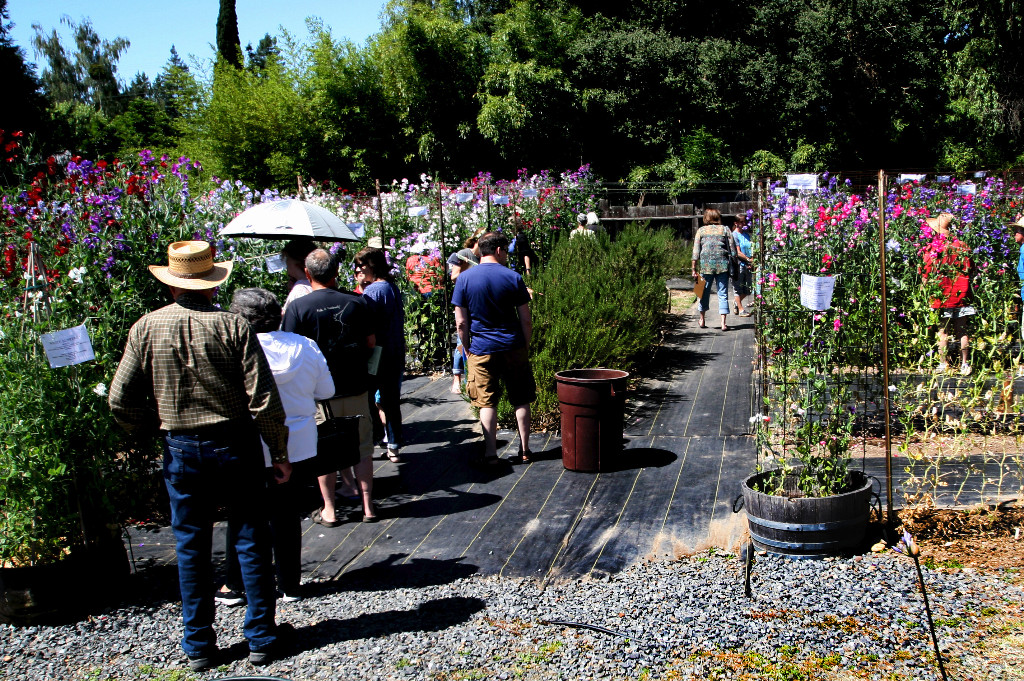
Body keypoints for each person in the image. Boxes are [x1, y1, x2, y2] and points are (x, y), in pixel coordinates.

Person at [108, 241, 290, 671]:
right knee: (249, 539)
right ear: (212, 284)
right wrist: (279, 451)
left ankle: (199, 646)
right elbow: (262, 398)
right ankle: (261, 636)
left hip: (181, 446)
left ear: (171, 283)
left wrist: (149, 427)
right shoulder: (233, 327)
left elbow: (119, 398)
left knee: (190, 546)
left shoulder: (146, 327)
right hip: (235, 444)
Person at [217, 288, 335, 606]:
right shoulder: (305, 346)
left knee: (243, 514)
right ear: (279, 315)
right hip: (300, 443)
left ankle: (235, 584)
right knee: (287, 514)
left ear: (238, 318)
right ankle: (290, 584)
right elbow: (327, 389)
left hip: (252, 443)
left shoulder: (235, 349)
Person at [282, 248, 378, 524]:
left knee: (323, 449)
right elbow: (371, 343)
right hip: (356, 386)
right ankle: (368, 507)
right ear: (337, 273)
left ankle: (330, 510)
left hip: (318, 393)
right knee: (362, 447)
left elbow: (291, 349)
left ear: (308, 274)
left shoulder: (298, 308)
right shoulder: (357, 302)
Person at [452, 232, 536, 464]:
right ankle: (525, 450)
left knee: (486, 401)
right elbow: (525, 319)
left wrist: (467, 348)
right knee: (520, 398)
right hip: (512, 345)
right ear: (498, 250)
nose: (507, 255)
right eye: (506, 250)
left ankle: (490, 453)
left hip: (481, 348)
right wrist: (524, 344)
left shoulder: (465, 279)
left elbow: (461, 322)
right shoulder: (512, 277)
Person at [355, 246, 406, 463]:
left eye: (361, 266)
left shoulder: (373, 292)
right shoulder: (391, 287)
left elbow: (366, 325)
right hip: (395, 350)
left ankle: (376, 436)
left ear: (372, 266)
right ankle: (393, 445)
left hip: (378, 353)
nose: (358, 270)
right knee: (391, 400)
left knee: (368, 398)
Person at [922, 212, 973, 375]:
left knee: (943, 331)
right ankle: (965, 364)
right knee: (962, 330)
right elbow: (971, 269)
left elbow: (925, 272)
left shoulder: (933, 247)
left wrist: (925, 291)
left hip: (941, 295)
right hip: (962, 294)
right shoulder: (963, 246)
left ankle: (944, 364)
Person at [692, 208, 736, 331]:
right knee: (723, 293)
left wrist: (693, 269)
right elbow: (732, 250)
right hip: (723, 266)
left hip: (705, 267)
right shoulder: (725, 229)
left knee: (701, 292)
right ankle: (723, 323)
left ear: (706, 218)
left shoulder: (701, 230)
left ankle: (702, 319)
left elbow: (695, 251)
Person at [447, 247, 478, 393]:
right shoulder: (464, 254)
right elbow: (454, 276)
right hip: (464, 303)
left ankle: (470, 378)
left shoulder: (483, 256)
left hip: (475, 303)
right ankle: (457, 378)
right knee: (461, 340)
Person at [280, 238, 316, 315]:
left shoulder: (300, 290)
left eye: (287, 259)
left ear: (296, 262)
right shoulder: (322, 282)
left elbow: (289, 319)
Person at [731, 215, 754, 317]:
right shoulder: (734, 235)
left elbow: (750, 249)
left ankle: (736, 302)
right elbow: (738, 252)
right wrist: (748, 259)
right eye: (742, 222)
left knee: (748, 289)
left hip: (748, 265)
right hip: (738, 264)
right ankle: (741, 309)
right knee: (738, 288)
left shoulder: (746, 235)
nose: (744, 224)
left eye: (745, 222)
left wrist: (751, 262)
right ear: (736, 223)